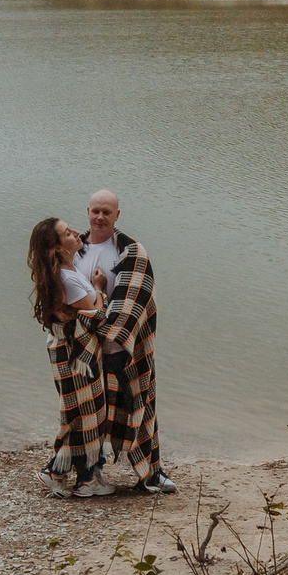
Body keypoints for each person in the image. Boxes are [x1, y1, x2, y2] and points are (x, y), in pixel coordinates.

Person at [84, 190, 175, 494]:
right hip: (85, 345)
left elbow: (137, 298)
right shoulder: (75, 250)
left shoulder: (131, 252)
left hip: (126, 347)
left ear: (117, 215)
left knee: (141, 403)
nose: (100, 217)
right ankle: (89, 472)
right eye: (95, 211)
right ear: (87, 212)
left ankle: (151, 472)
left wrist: (116, 340)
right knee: (87, 411)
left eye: (106, 212)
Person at [27, 216, 114, 498]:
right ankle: (66, 473)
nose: (76, 232)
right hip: (77, 356)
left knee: (82, 414)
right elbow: (96, 316)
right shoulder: (68, 279)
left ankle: (79, 475)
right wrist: (99, 288)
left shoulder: (66, 272)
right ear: (56, 247)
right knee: (86, 414)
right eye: (67, 233)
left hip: (73, 352)